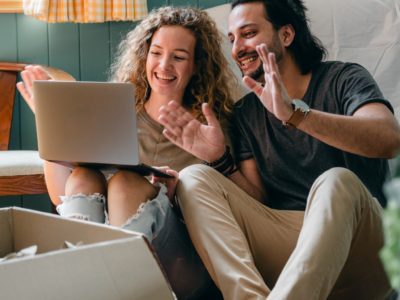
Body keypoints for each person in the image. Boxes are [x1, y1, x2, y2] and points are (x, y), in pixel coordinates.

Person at [158, 0, 400, 299]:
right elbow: (258, 200)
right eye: (232, 39)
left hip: (362, 248)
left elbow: (388, 139)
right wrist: (220, 161)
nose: (237, 49)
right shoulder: (246, 113)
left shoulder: (343, 78)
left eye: (248, 33)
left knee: (336, 180)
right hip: (291, 247)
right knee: (194, 176)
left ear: (286, 35)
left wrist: (295, 115)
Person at [16, 6, 234, 299]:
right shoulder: (116, 114)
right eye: (156, 52)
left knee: (124, 183)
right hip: (108, 253)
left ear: (196, 65)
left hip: (181, 261)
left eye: (179, 57)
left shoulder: (211, 127)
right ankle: (93, 284)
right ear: (145, 56)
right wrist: (49, 126)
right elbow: (61, 197)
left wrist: (180, 193)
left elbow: (230, 211)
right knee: (82, 176)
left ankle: (93, 284)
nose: (164, 65)